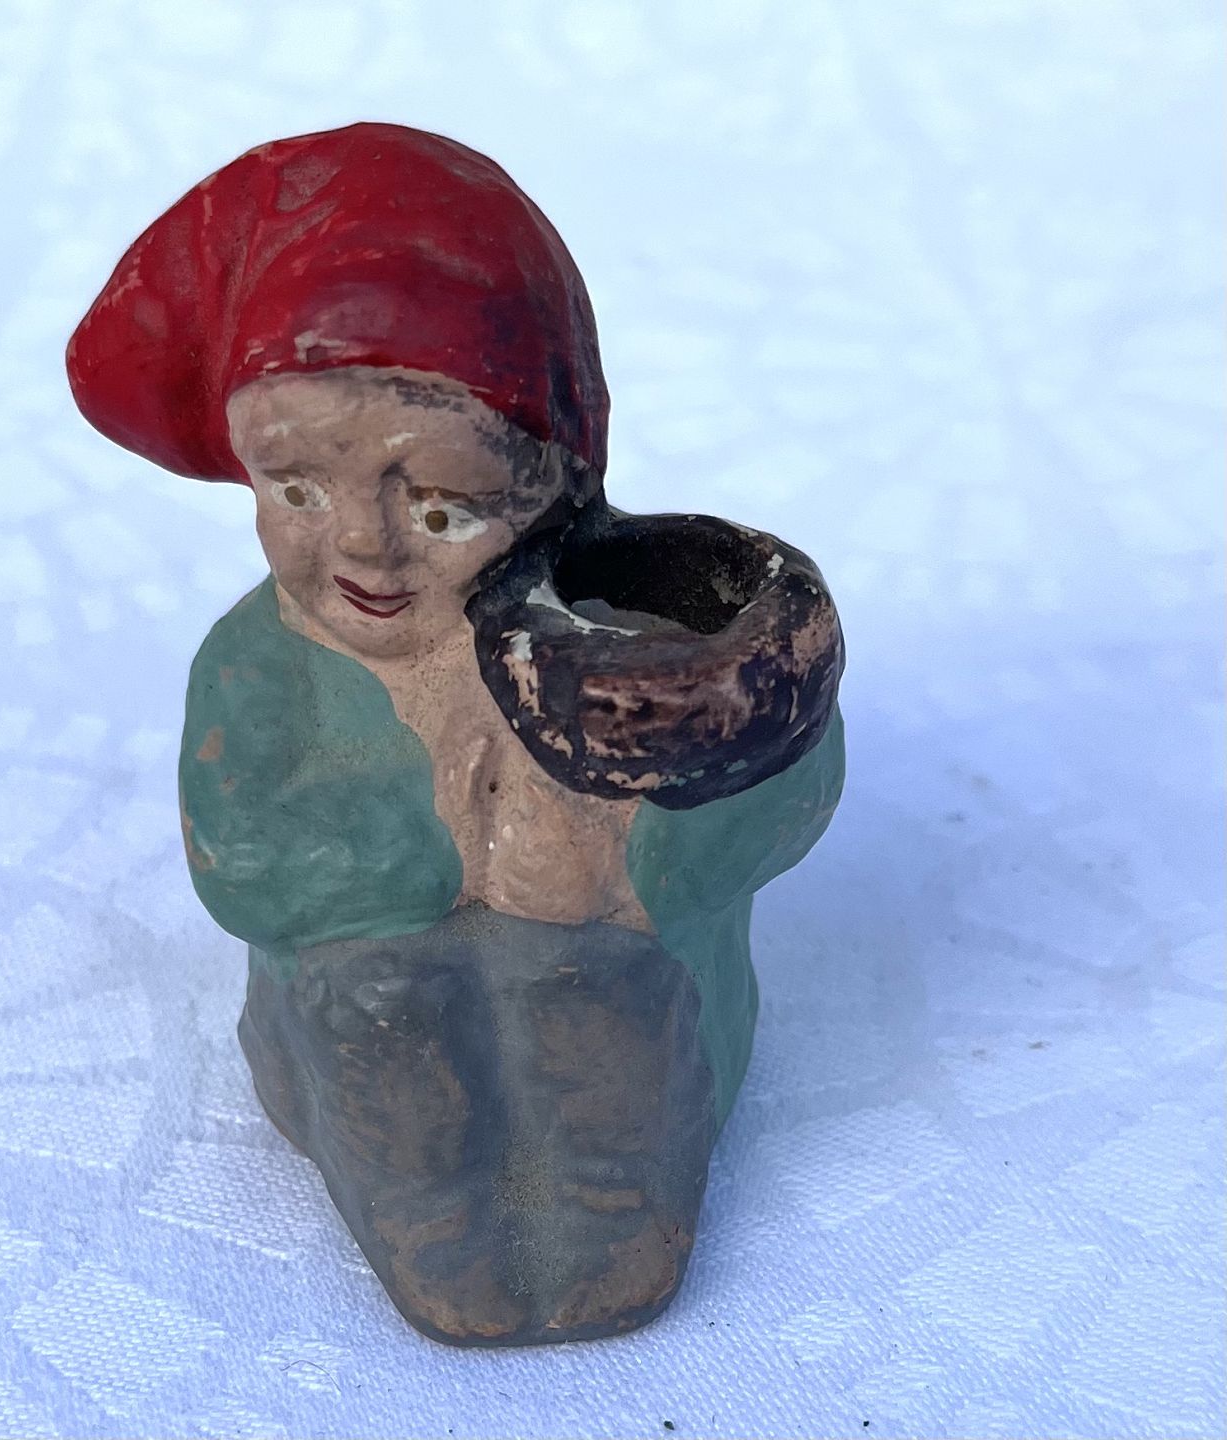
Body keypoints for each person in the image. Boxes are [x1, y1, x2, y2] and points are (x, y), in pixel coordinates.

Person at [68, 122, 845, 1346]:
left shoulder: (617, 634)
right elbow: (244, 865)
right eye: (298, 490)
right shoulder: (260, 660)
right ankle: (431, 1221)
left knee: (589, 984)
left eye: (439, 506)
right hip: (364, 1029)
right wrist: (452, 847)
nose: (363, 547)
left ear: (554, 480)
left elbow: (787, 791)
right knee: (378, 1002)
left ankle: (616, 1207)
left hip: (626, 1025)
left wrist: (629, 859)